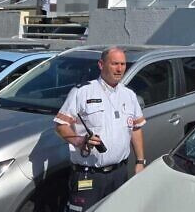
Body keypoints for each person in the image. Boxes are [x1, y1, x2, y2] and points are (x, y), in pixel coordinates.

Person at [54, 47, 146, 211]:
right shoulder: (82, 92)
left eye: (123, 64)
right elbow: (61, 125)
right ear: (101, 65)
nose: (119, 69)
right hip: (89, 175)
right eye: (115, 64)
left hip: (119, 173)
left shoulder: (129, 95)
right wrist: (79, 140)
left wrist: (140, 162)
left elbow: (136, 129)